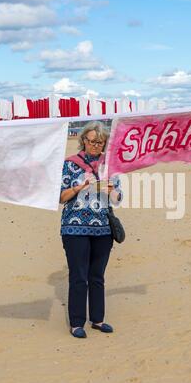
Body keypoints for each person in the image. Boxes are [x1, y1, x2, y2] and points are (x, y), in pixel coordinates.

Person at [60, 121, 123, 339]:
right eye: (92, 141)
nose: (96, 145)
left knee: (97, 276)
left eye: (100, 142)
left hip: (103, 229)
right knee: (78, 276)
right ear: (83, 140)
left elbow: (118, 199)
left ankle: (98, 319)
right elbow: (60, 197)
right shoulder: (70, 164)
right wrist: (79, 187)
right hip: (74, 228)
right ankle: (77, 323)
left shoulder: (110, 165)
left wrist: (111, 189)